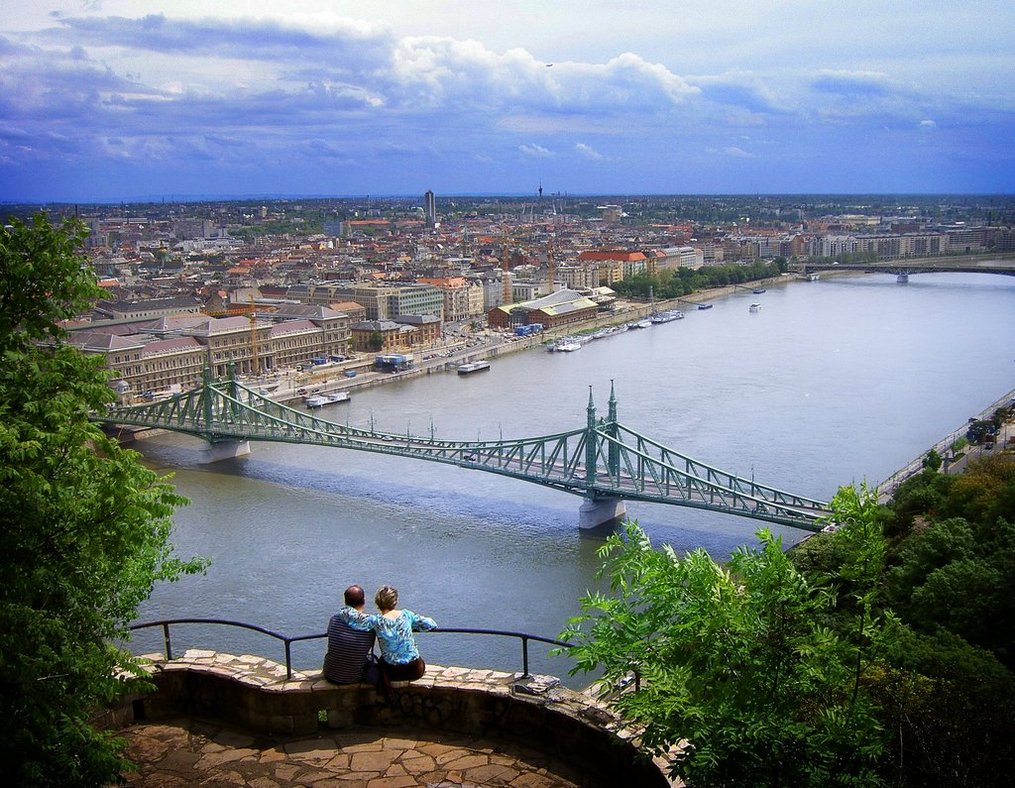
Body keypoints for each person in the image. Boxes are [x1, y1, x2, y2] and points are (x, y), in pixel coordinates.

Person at [368, 585, 436, 690]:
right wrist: (411, 625)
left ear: (378, 603)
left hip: (392, 672)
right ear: (395, 602)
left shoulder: (376, 621)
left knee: (381, 661)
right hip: (414, 670)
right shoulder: (406, 615)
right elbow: (431, 624)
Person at [322, 585, 377, 685]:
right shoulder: (370, 624)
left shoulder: (334, 619)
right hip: (353, 677)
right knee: (375, 661)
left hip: (330, 674)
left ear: (345, 601)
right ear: (363, 601)